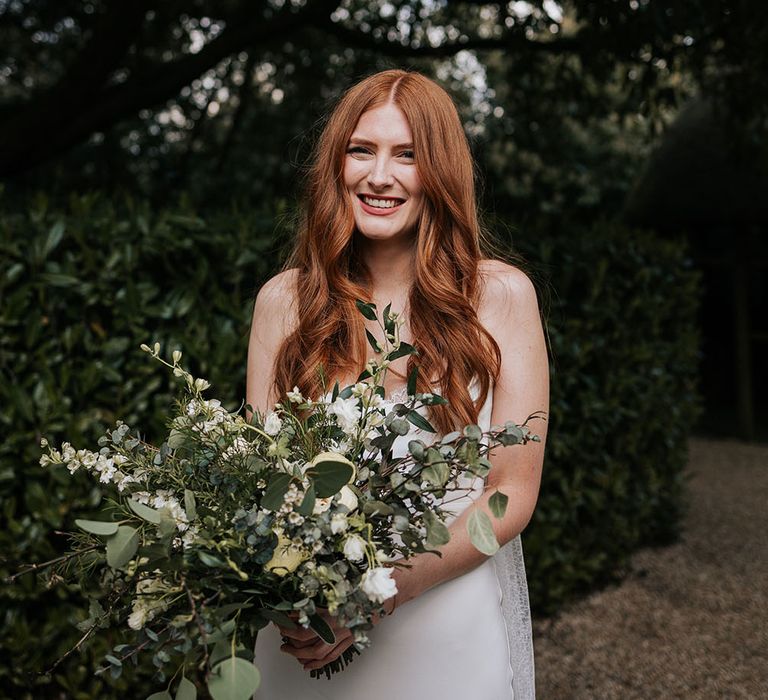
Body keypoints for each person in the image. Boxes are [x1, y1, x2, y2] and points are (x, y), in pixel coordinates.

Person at [246, 68, 549, 700]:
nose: (379, 176)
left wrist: (381, 591)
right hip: (305, 641)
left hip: (446, 633)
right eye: (362, 150)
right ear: (337, 165)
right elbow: (260, 487)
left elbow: (510, 495)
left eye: (406, 155)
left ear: (439, 172)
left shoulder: (501, 297)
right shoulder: (282, 302)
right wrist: (290, 601)